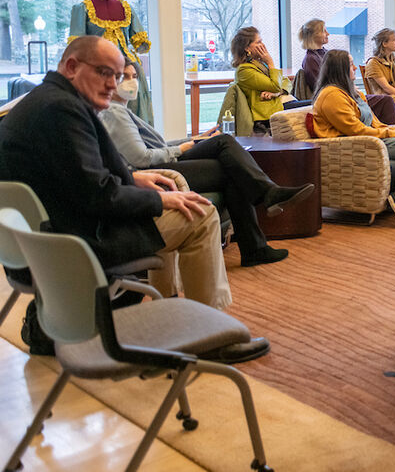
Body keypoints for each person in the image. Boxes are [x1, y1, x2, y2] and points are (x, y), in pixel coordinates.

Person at [0, 37, 268, 362]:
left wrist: (135, 178)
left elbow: (73, 174)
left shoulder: (40, 101)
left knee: (167, 184)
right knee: (199, 214)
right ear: (71, 67)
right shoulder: (64, 110)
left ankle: (169, 308)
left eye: (117, 75)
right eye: (104, 73)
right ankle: (209, 335)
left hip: (39, 242)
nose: (113, 84)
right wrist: (159, 203)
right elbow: (99, 196)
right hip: (78, 242)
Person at [100, 62, 314, 267]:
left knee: (227, 154)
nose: (131, 82)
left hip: (165, 161)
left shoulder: (121, 111)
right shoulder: (115, 112)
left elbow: (158, 145)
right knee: (226, 149)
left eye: (135, 77)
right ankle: (264, 208)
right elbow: (142, 158)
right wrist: (182, 149)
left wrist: (192, 139)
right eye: (125, 77)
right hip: (154, 172)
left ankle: (258, 238)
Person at [311, 50, 395, 228]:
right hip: (357, 144)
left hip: (371, 137)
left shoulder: (351, 92)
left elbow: (374, 122)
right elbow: (354, 130)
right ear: (339, 69)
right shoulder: (331, 96)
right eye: (350, 64)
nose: (355, 67)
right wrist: (389, 134)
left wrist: (392, 130)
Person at [231, 26, 288, 135]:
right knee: (311, 107)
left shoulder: (261, 63)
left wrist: (277, 93)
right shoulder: (244, 70)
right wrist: (271, 62)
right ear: (247, 48)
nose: (263, 45)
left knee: (311, 106)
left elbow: (286, 81)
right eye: (259, 42)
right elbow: (276, 85)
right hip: (267, 115)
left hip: (277, 104)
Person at [297, 18, 329, 92]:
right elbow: (319, 87)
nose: (328, 34)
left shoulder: (327, 53)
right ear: (313, 35)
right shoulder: (310, 59)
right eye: (324, 31)